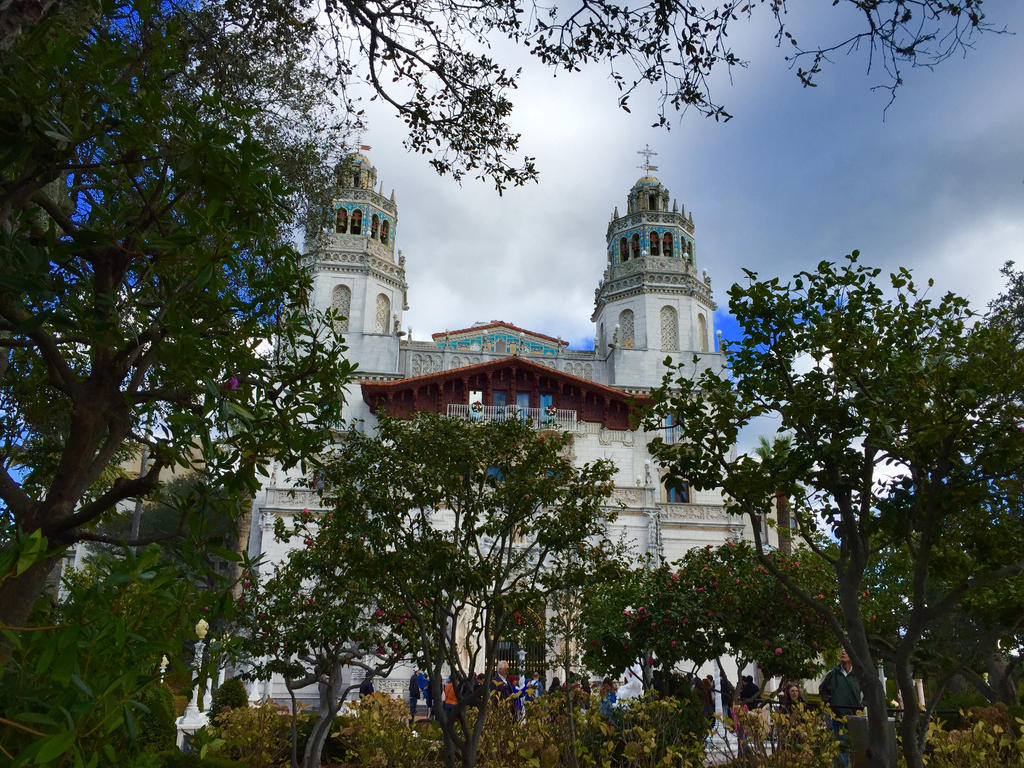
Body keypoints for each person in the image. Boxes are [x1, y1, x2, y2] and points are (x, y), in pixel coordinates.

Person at [819, 649, 862, 768]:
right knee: (840, 749)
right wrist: (831, 703)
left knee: (856, 749)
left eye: (846, 652)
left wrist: (862, 705)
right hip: (837, 717)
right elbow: (822, 690)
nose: (843, 653)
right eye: (842, 652)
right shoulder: (832, 673)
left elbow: (867, 692)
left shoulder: (858, 675)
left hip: (855, 717)